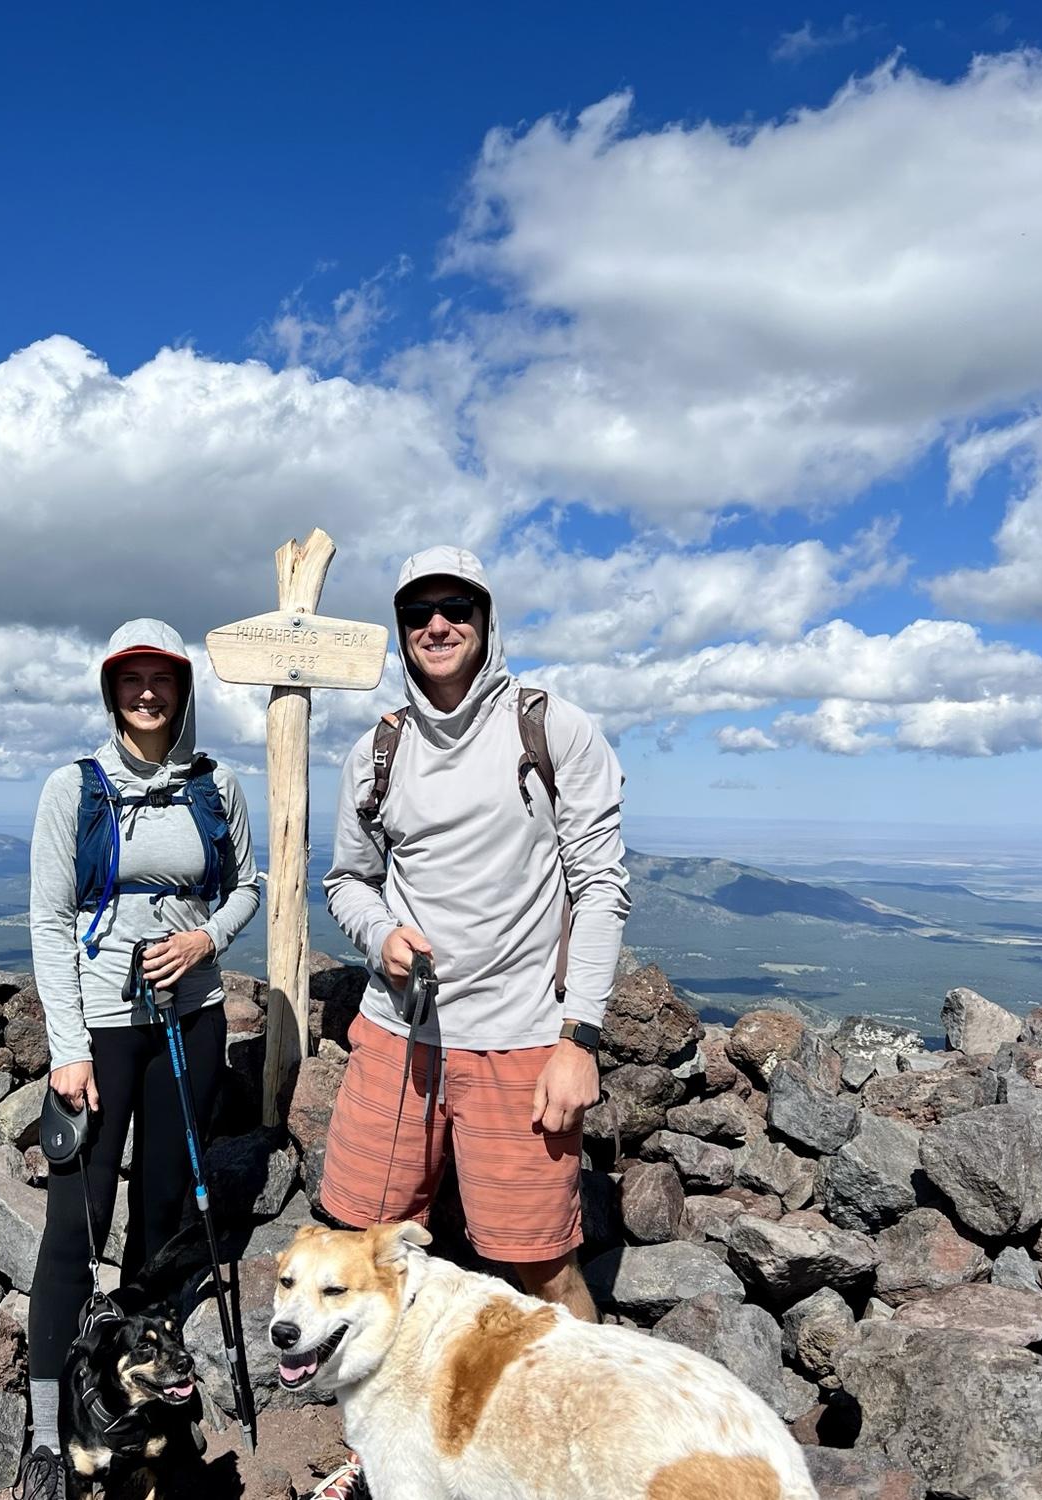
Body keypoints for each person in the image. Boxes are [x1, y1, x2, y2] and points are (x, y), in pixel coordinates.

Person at [311, 546, 630, 1499]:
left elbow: (601, 885)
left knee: (540, 1262)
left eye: (456, 607)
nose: (437, 625)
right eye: (419, 612)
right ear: (402, 630)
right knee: (366, 1249)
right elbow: (348, 881)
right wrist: (381, 935)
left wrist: (580, 1039)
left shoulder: (549, 727)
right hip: (397, 1036)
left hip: (520, 1037)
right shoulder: (378, 750)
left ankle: (587, 1454)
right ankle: (381, 1455)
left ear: (487, 621)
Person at [15, 618, 260, 1500]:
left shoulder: (215, 785)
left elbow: (248, 887)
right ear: (112, 690)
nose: (147, 692)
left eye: (162, 678)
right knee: (73, 1230)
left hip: (190, 1021)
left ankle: (146, 1403)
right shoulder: (73, 789)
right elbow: (49, 919)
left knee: (160, 1225)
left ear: (183, 690)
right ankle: (52, 1434)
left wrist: (205, 940)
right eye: (131, 678)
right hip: (101, 1031)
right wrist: (67, 1049)